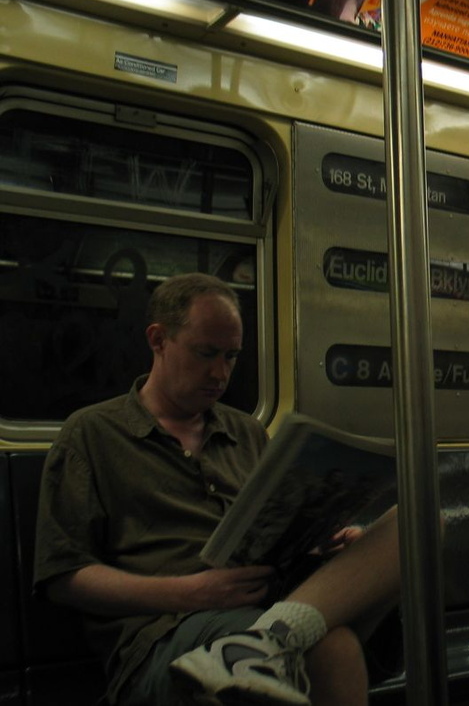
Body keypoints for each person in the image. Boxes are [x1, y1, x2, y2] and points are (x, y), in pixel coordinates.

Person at [33, 273, 400, 706]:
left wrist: (322, 550)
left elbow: (270, 534)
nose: (220, 373)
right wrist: (191, 591)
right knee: (332, 646)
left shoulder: (245, 431)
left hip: (271, 603)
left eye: (231, 357)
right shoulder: (93, 433)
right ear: (158, 339)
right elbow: (64, 577)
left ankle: (266, 642)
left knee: (415, 523)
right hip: (170, 630)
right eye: (206, 353)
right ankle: (266, 643)